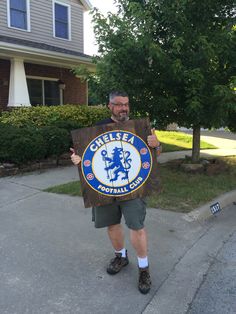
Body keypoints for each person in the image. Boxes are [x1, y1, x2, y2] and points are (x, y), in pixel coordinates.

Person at [70, 91, 161, 294]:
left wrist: (157, 145)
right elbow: (85, 158)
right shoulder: (97, 129)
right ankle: (121, 256)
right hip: (105, 188)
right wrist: (77, 161)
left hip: (134, 187)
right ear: (109, 106)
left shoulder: (140, 128)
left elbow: (155, 153)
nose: (124, 108)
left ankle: (144, 268)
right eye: (119, 105)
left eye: (126, 104)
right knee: (112, 225)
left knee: (137, 227)